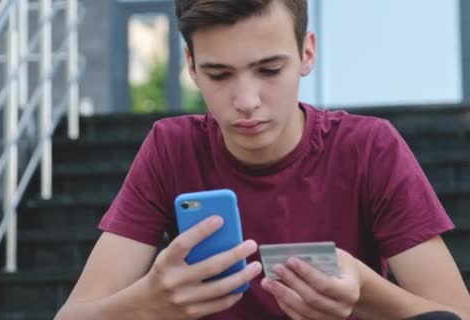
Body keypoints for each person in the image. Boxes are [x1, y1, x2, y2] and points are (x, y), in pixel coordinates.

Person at [55, 0, 470, 319]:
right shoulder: (171, 149)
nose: (247, 102)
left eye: (269, 69)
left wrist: (365, 291)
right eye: (219, 75)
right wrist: (149, 302)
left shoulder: (369, 148)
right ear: (191, 66)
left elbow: (455, 314)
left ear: (307, 54)